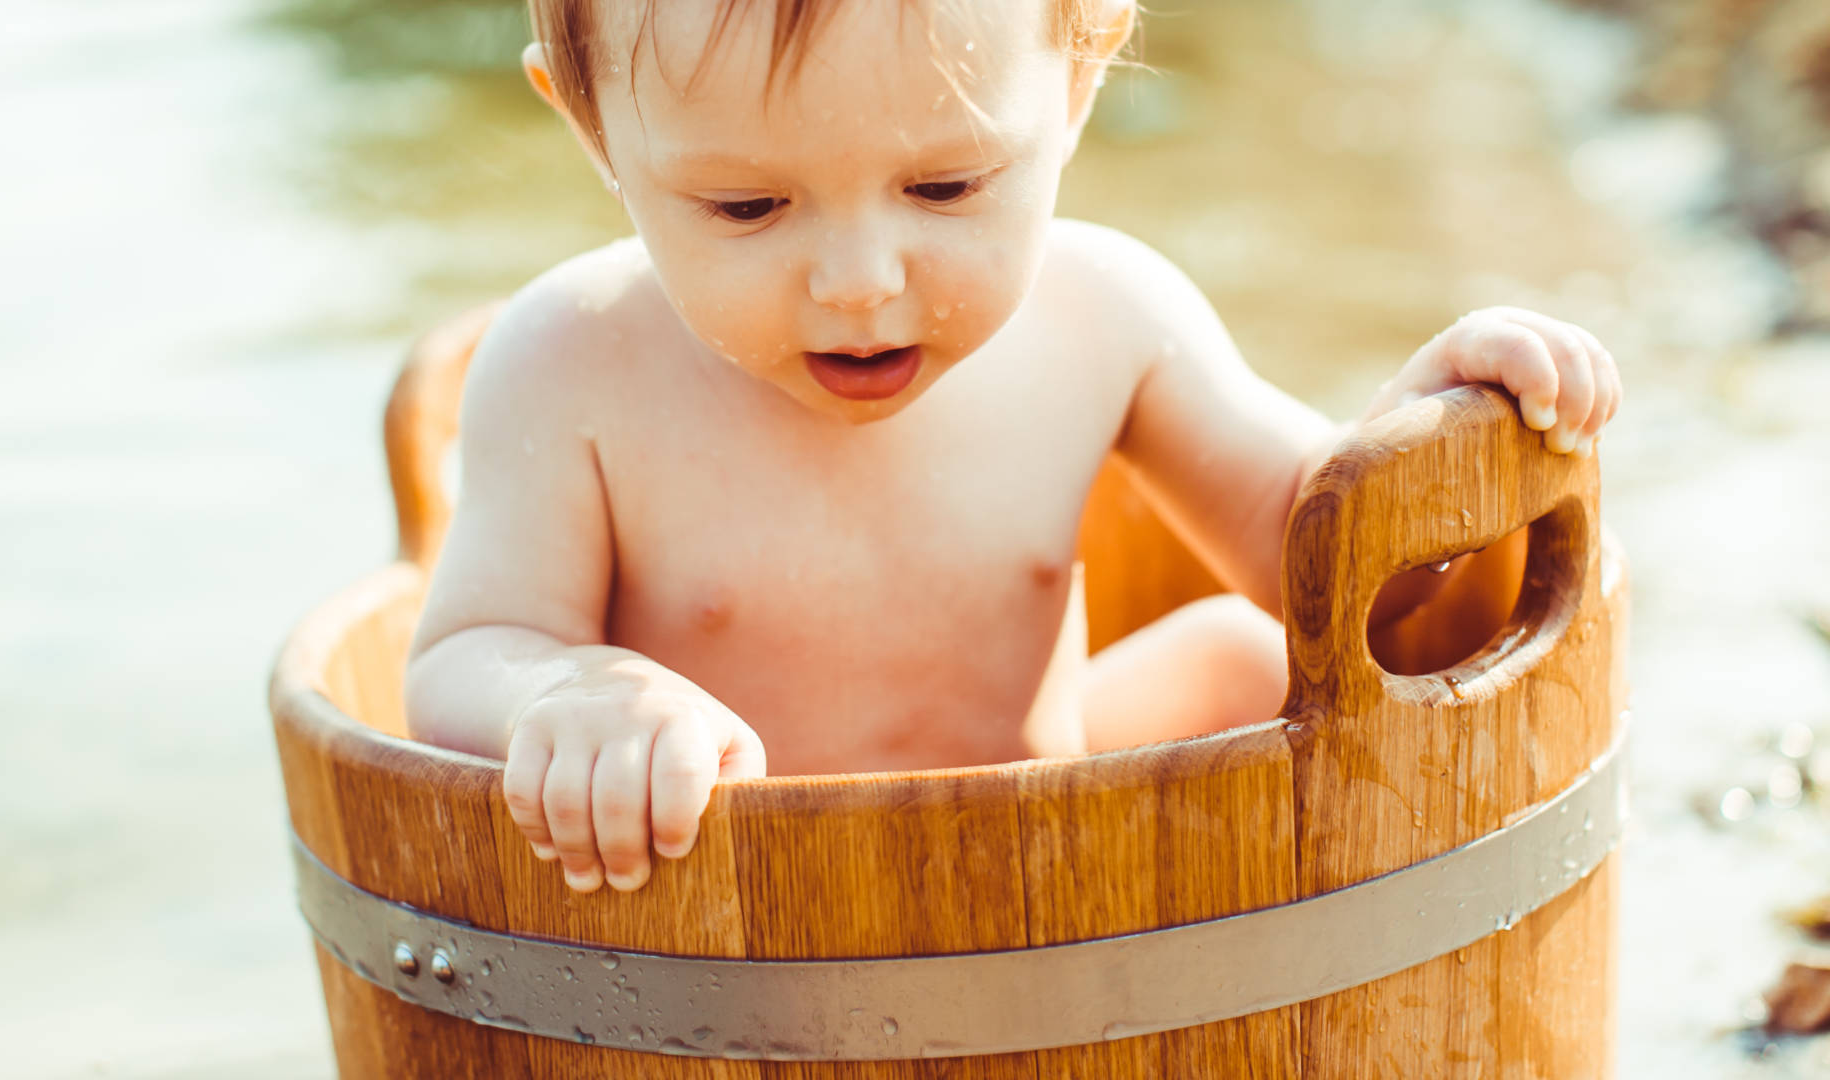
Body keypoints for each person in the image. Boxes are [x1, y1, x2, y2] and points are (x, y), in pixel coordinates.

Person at [403, 0, 1622, 895]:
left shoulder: (1106, 316)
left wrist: (1417, 432)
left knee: (1249, 655)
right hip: (726, 919)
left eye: (948, 186)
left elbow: (1341, 578)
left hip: (1052, 882)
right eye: (746, 208)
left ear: (1081, 76)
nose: (861, 283)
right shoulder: (570, 362)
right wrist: (566, 697)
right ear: (596, 133)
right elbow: (462, 650)